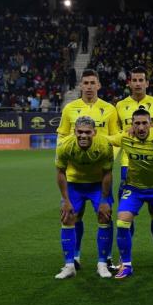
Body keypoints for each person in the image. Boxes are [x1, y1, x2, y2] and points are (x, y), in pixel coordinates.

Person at [106, 107, 153, 279]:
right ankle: (126, 265)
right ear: (132, 125)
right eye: (137, 123)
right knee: (122, 222)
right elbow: (107, 139)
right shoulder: (126, 138)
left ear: (150, 124)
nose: (141, 128)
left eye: (145, 123)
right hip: (134, 189)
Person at [56, 69, 119, 270]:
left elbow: (116, 137)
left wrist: (101, 148)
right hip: (75, 176)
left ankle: (106, 258)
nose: (89, 86)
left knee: (105, 215)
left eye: (93, 83)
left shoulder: (109, 109)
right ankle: (74, 257)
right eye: (86, 83)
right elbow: (62, 136)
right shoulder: (69, 109)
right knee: (74, 216)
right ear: (80, 86)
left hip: (100, 175)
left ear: (99, 85)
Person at [115, 66, 153, 269]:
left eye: (142, 80)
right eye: (135, 80)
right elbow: (115, 133)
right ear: (129, 82)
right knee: (127, 215)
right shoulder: (119, 106)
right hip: (128, 164)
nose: (138, 83)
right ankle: (125, 258)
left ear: (147, 83)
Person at [54, 116, 114, 279]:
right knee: (67, 218)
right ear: (74, 132)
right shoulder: (65, 146)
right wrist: (66, 200)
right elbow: (60, 172)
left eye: (87, 132)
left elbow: (108, 173)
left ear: (94, 132)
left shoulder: (104, 145)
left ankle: (102, 264)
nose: (83, 136)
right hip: (75, 184)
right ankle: (69, 265)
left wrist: (103, 200)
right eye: (79, 132)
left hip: (97, 184)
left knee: (104, 217)